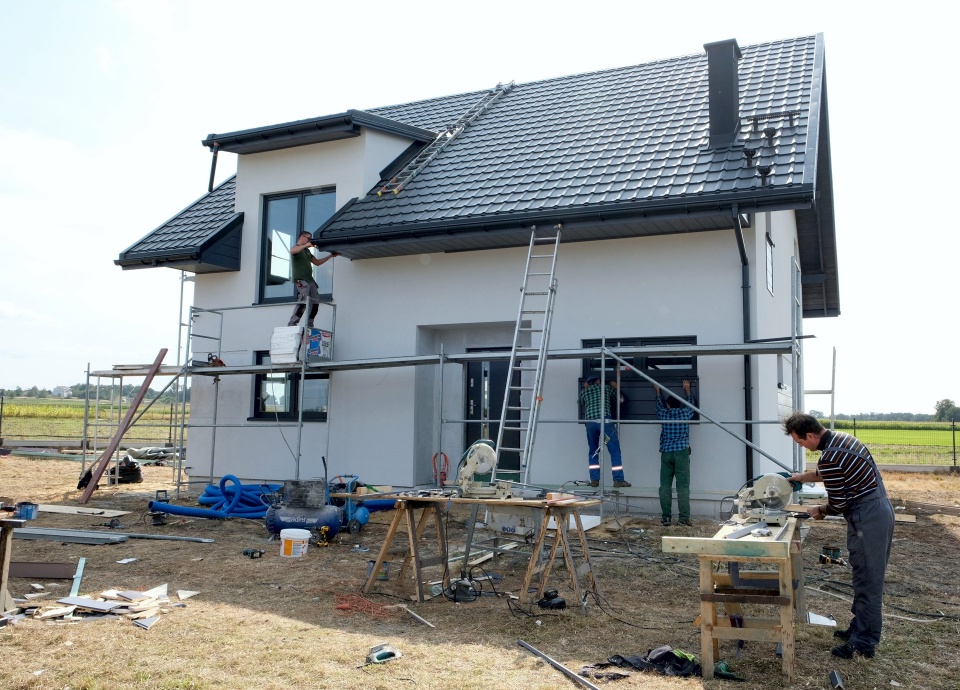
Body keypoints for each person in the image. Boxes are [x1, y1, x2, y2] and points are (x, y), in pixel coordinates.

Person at [783, 412, 894, 660]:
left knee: (868, 580)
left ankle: (864, 643)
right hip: (876, 509)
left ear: (810, 435)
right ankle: (858, 629)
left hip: (868, 516)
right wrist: (802, 477)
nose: (802, 447)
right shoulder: (842, 440)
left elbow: (838, 504)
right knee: (862, 576)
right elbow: (831, 472)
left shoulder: (830, 456)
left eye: (800, 442)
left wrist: (819, 510)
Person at [654, 380, 695, 526]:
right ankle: (683, 519)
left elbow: (658, 406)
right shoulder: (685, 413)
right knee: (682, 486)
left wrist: (658, 391)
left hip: (666, 453)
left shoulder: (664, 414)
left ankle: (666, 518)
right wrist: (687, 389)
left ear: (668, 405)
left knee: (665, 486)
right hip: (681, 453)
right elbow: (691, 403)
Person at [577, 375, 630, 488]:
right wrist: (616, 387)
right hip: (605, 422)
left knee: (593, 451)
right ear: (598, 381)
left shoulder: (584, 392)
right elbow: (620, 400)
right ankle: (618, 480)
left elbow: (579, 401)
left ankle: (594, 479)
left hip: (590, 423)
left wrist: (586, 388)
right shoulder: (606, 388)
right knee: (614, 450)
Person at [287, 231, 337, 329]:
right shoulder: (298, 249)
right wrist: (306, 245)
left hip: (310, 280)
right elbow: (292, 251)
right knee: (303, 300)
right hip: (301, 280)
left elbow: (317, 262)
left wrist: (331, 256)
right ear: (302, 237)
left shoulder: (307, 251)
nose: (310, 241)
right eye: (308, 238)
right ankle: (292, 322)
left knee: (315, 302)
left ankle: (309, 324)